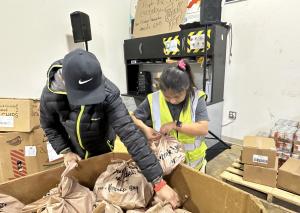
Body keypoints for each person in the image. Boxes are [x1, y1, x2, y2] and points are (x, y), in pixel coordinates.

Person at [40, 49, 179, 207]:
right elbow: (49, 125)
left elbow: (130, 134)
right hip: (74, 155)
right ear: (66, 84)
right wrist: (65, 151)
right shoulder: (51, 95)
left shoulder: (108, 93)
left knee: (105, 194)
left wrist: (158, 182)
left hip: (103, 150)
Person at [132, 59, 209, 172]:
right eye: (167, 97)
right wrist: (146, 129)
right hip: (166, 165)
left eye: (177, 96)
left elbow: (203, 128)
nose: (172, 101)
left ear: (186, 89)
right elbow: (133, 117)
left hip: (192, 166)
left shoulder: (197, 98)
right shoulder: (154, 98)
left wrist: (175, 125)